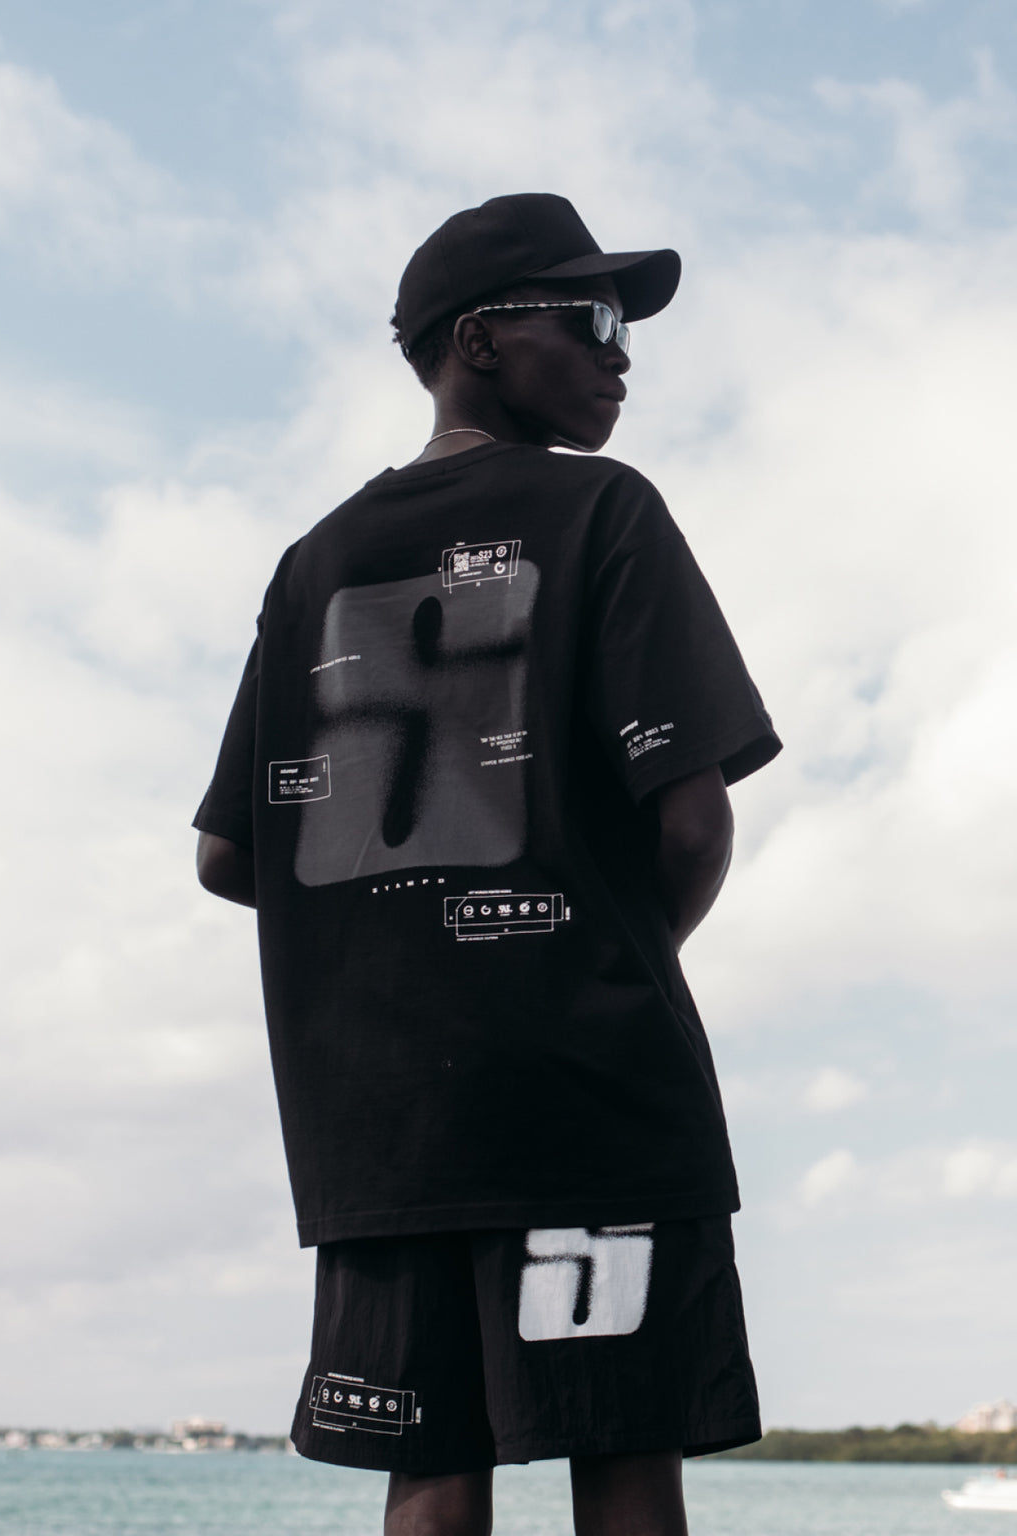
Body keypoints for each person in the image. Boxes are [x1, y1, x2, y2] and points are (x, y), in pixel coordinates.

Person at [195, 192, 782, 1536]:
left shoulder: (313, 563)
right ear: (479, 341)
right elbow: (694, 825)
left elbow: (233, 852)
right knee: (621, 1451)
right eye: (593, 322)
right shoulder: (604, 509)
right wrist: (585, 970)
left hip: (379, 1119)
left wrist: (393, 955)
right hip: (586, 1096)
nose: (622, 357)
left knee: (432, 1468)